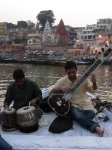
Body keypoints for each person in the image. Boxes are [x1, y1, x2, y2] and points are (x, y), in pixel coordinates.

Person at [49, 61, 104, 136]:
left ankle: (75, 116)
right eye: (69, 72)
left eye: (73, 72)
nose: (71, 74)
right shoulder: (63, 81)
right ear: (66, 71)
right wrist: (61, 88)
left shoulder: (83, 79)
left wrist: (94, 83)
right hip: (73, 104)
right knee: (78, 115)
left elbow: (92, 90)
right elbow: (50, 91)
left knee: (91, 114)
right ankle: (96, 127)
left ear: (76, 69)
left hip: (85, 103)